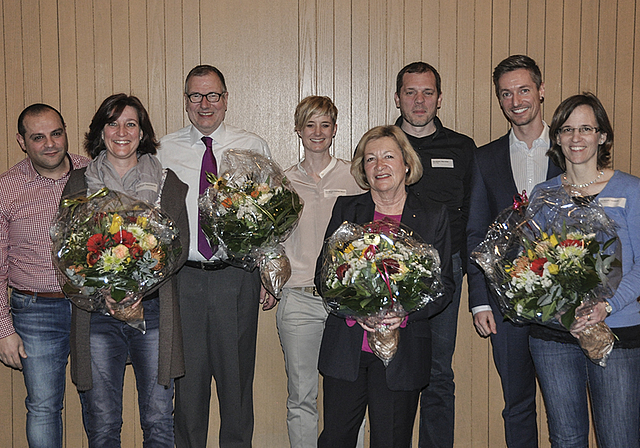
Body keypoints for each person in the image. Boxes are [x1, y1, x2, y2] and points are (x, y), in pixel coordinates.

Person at [315, 125, 455, 448]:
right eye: (370, 159)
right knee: (335, 439)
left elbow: (444, 285)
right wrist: (354, 311)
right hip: (347, 349)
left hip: (402, 353)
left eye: (389, 156)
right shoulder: (347, 210)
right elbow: (324, 276)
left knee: (391, 441)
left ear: (406, 163)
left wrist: (402, 314)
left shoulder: (433, 216)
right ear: (362, 170)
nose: (380, 166)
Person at [61, 93, 188, 447]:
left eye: (130, 123)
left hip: (152, 311)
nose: (122, 131)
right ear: (101, 131)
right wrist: (109, 294)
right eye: (112, 123)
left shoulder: (167, 183)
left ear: (142, 131)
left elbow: (176, 250)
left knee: (159, 421)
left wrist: (137, 292)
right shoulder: (78, 184)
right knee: (103, 425)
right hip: (96, 314)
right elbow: (68, 252)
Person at [156, 64, 273, 448]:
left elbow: (272, 215)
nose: (205, 104)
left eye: (213, 95)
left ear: (226, 99)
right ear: (185, 101)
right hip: (183, 279)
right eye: (195, 96)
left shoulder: (251, 146)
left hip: (236, 277)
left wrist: (270, 272)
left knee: (236, 384)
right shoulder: (163, 150)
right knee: (187, 387)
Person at [527, 92, 640, 448]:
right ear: (556, 137)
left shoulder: (631, 191)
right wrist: (564, 312)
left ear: (602, 136)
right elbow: (530, 267)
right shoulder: (543, 195)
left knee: (619, 438)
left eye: (586, 129)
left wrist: (604, 307)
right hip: (554, 336)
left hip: (617, 332)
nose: (577, 138)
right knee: (565, 438)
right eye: (568, 129)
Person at [466, 54, 562, 448]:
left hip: (564, 301)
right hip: (505, 308)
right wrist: (479, 301)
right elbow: (474, 232)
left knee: (564, 405)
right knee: (517, 405)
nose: (516, 100)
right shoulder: (485, 157)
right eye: (506, 93)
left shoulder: (571, 146)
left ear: (540, 90)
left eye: (524, 90)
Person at [393, 61, 476, 448]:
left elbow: (474, 212)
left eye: (427, 92)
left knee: (439, 370)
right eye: (411, 92)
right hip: (387, 271)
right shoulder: (383, 143)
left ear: (439, 99)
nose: (419, 100)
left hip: (446, 272)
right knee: (390, 367)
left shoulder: (461, 148)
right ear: (398, 98)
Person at [0, 104, 89, 447]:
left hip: (90, 308)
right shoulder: (7, 189)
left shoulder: (93, 172)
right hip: (35, 311)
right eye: (38, 137)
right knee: (43, 407)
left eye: (56, 133)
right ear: (22, 142)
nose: (50, 144)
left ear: (66, 131)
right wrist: (4, 329)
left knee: (98, 406)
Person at [276, 96, 363, 448]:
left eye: (325, 124)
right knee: (301, 396)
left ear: (335, 130)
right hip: (298, 299)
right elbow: (272, 240)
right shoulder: (283, 181)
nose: (317, 132)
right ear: (298, 130)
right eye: (310, 124)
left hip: (346, 302)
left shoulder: (355, 177)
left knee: (350, 399)